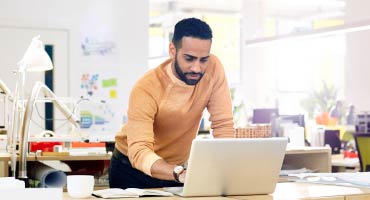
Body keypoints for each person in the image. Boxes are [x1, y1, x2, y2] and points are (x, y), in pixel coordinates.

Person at [109, 17, 234, 189]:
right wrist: (177, 173)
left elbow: (223, 125)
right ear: (172, 50)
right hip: (131, 170)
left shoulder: (214, 68)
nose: (197, 68)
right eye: (189, 58)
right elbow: (139, 151)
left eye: (203, 59)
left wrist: (226, 171)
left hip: (177, 170)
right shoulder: (146, 87)